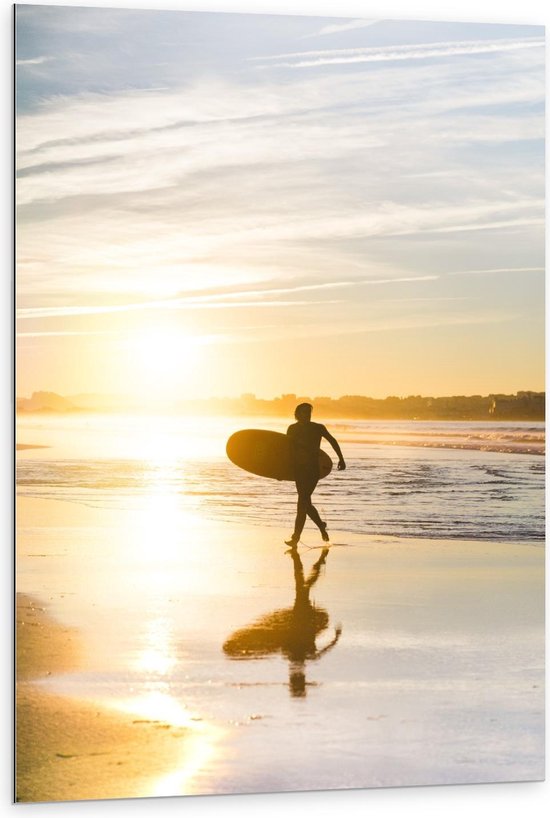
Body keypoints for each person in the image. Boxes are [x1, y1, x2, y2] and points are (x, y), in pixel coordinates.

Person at [285, 403, 346, 547]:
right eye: (304, 412)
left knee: (302, 503)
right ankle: (321, 527)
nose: (307, 415)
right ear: (297, 414)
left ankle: (295, 538)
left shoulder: (317, 428)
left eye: (309, 412)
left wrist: (341, 459)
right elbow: (287, 451)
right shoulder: (292, 429)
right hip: (298, 470)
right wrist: (280, 471)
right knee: (306, 503)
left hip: (313, 469)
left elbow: (332, 441)